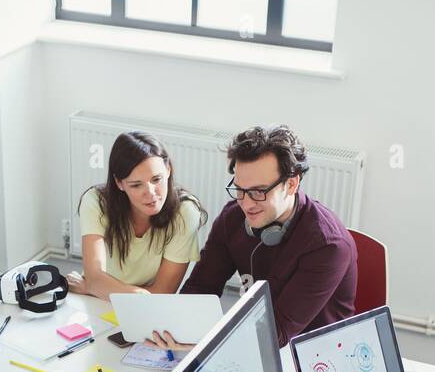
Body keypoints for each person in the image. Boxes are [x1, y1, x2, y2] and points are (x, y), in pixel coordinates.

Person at [178, 124, 356, 347]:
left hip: (314, 361)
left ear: (291, 183)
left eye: (259, 191)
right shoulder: (232, 218)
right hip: (255, 345)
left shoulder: (327, 245)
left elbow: (276, 334)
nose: (246, 203)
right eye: (240, 189)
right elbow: (200, 288)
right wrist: (177, 326)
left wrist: (203, 341)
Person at [66, 132, 205, 305]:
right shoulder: (96, 201)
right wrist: (95, 285)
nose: (151, 194)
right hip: (97, 300)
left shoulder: (185, 212)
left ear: (168, 170)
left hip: (131, 305)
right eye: (136, 185)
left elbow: (161, 295)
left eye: (156, 179)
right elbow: (94, 277)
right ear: (119, 183)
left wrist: (93, 287)